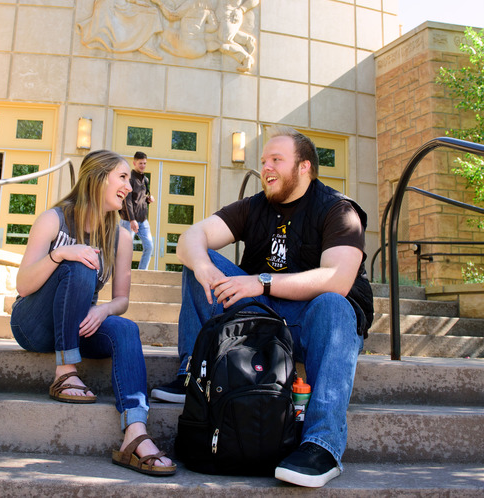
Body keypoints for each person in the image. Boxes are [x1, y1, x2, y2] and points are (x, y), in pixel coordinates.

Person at [151, 128, 374, 487]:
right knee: (198, 261)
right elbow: (191, 237)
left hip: (310, 321)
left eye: (276, 160)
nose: (266, 167)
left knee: (334, 305)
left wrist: (261, 281)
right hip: (261, 317)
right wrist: (206, 267)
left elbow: (338, 279)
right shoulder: (255, 206)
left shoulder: (338, 210)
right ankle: (191, 372)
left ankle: (322, 445)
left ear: (304, 168)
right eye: (264, 161)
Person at [10, 150, 176, 477]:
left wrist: (103, 313)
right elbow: (23, 285)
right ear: (99, 178)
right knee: (79, 262)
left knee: (126, 329)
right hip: (34, 325)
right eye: (122, 177)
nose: (129, 187)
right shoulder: (54, 219)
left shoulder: (122, 236)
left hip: (79, 324)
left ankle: (135, 432)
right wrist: (60, 253)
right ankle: (65, 371)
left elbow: (121, 300)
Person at [167, 0, 259, 72]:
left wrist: (241, 10)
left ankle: (246, 58)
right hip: (217, 16)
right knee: (212, 40)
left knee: (223, 40)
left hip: (232, 14)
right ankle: (245, 40)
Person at [148, 0, 218, 59]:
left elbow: (172, 16)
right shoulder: (208, 9)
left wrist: (159, 2)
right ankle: (170, 49)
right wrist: (199, 28)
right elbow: (214, 27)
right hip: (201, 49)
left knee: (159, 29)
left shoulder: (190, 4)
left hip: (187, 46)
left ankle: (155, 48)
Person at [119, 151, 155, 270]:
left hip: (143, 220)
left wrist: (149, 198)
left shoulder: (145, 179)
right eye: (140, 163)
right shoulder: (130, 179)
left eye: (144, 163)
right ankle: (122, 271)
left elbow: (143, 196)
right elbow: (127, 200)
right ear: (134, 163)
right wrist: (132, 220)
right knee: (125, 248)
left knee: (149, 246)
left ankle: (142, 272)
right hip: (129, 220)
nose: (143, 166)